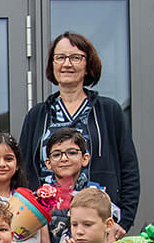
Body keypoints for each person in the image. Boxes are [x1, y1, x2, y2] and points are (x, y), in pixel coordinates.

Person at [19, 31, 139, 227]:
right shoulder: (37, 115)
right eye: (60, 58)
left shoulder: (108, 111)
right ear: (53, 64)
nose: (67, 64)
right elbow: (23, 171)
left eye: (76, 57)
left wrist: (124, 222)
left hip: (98, 222)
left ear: (87, 65)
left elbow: (129, 168)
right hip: (45, 226)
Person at [38, 127, 92, 243]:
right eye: (56, 155)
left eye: (72, 152)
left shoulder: (96, 195)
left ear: (85, 158)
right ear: (48, 163)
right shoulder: (39, 198)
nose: (64, 159)